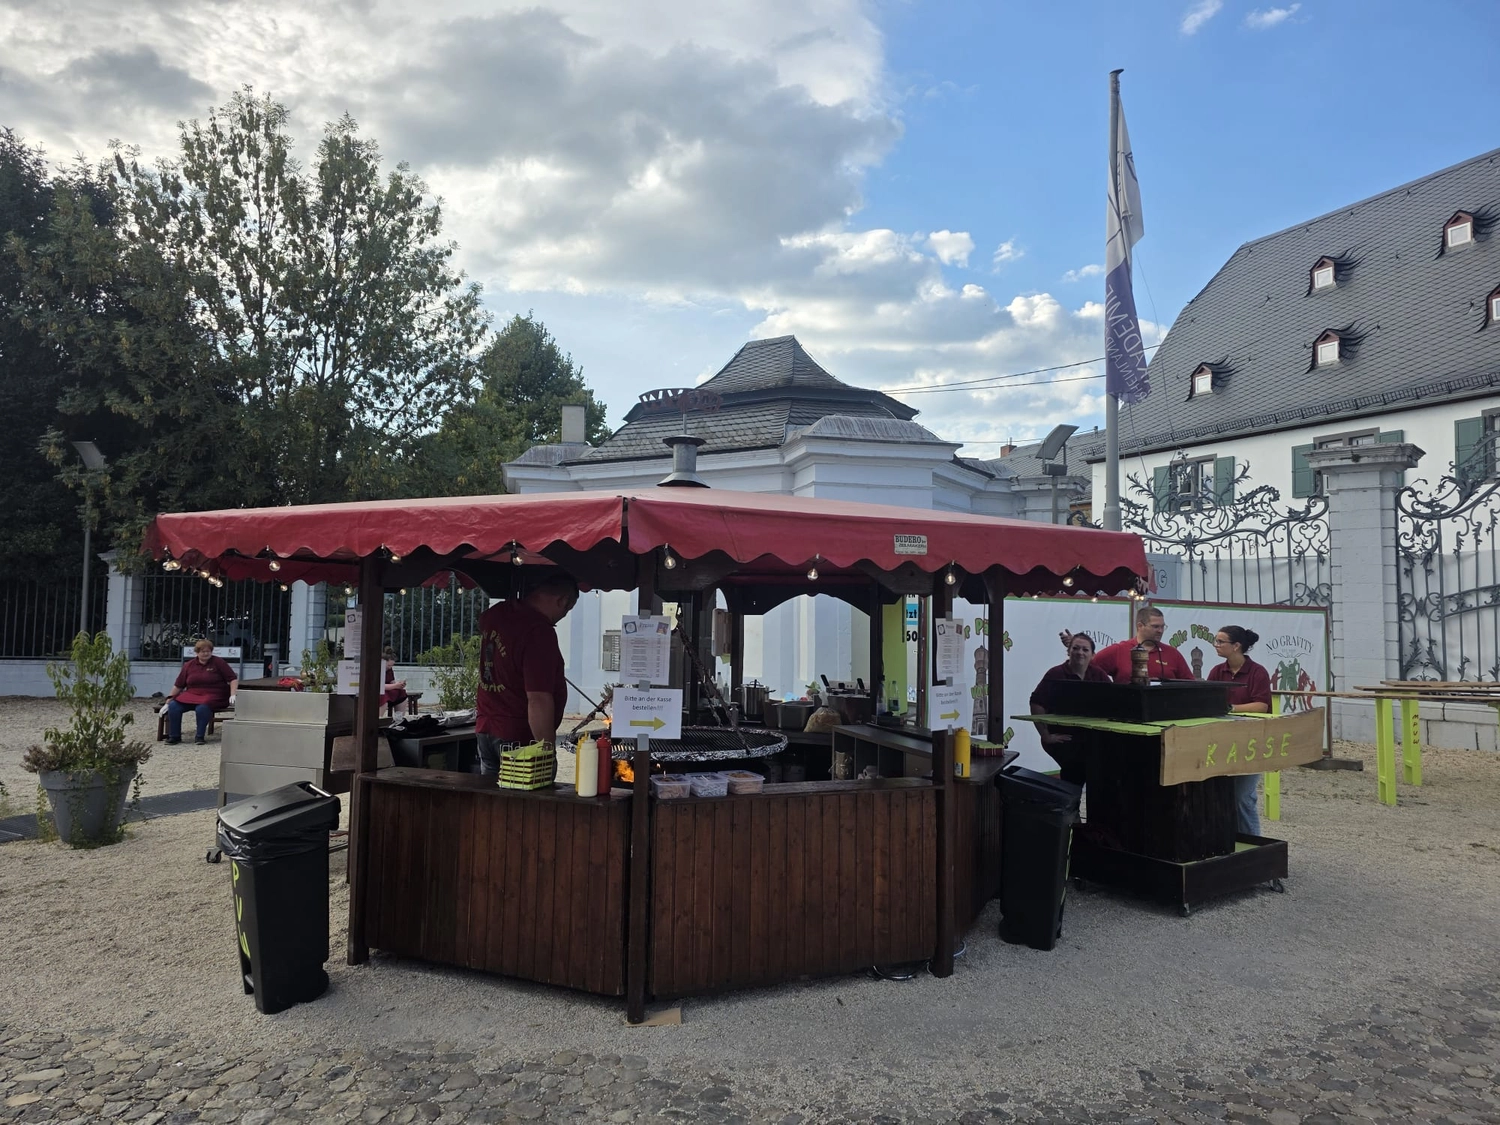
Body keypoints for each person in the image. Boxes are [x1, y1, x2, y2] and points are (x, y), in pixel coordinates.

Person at [474, 572, 580, 776]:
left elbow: (484, 623)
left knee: (493, 801)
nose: (564, 615)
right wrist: (546, 751)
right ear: (563, 600)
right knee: (527, 805)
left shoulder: (496, 614)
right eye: (568, 609)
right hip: (518, 737)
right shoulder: (538, 632)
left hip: (486, 729)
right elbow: (538, 699)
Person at [1207, 625, 1274, 836]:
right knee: (1221, 794)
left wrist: (1229, 708)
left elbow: (1261, 706)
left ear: (1236, 646)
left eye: (1220, 641)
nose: (1216, 645)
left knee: (1243, 797)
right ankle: (1226, 841)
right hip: (1222, 741)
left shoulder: (1257, 672)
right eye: (1216, 641)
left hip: (1251, 742)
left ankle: (1253, 845)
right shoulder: (1217, 671)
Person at [1029, 631, 1111, 786]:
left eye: (1085, 650)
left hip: (1091, 739)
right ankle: (1071, 809)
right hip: (1064, 739)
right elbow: (1036, 703)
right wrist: (1045, 735)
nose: (1080, 652)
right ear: (1069, 651)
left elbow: (1113, 698)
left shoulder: (1098, 674)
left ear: (1093, 655)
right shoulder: (1055, 674)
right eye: (1076, 648)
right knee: (1073, 774)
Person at [1069, 605, 1193, 683]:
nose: (1160, 630)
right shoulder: (1119, 650)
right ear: (1140, 626)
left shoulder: (1173, 654)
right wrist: (1077, 651)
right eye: (1155, 626)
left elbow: (1190, 684)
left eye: (1162, 626)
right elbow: (1086, 667)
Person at [161, 639, 238, 745]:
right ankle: (174, 736)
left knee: (202, 707)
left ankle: (199, 736)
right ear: (197, 652)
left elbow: (233, 678)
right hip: (192, 694)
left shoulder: (218, 662)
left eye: (208, 651)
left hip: (215, 694)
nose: (206, 654)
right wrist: (168, 700)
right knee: (174, 706)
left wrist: (233, 694)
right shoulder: (189, 665)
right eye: (203, 651)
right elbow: (179, 685)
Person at [382, 647, 408, 713]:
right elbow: (380, 686)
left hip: (389, 690)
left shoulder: (389, 670)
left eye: (391, 666)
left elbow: (392, 682)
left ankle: (399, 718)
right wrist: (395, 686)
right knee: (383, 697)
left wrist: (399, 684)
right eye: (388, 665)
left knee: (402, 693)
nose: (390, 667)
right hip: (382, 691)